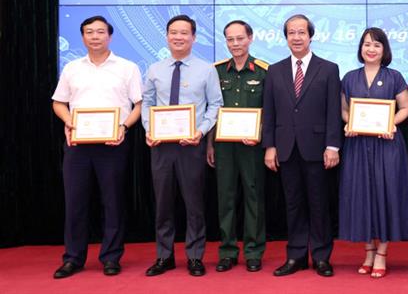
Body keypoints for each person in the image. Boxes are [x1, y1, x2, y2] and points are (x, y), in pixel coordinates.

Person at [51, 16, 143, 279]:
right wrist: (69, 121)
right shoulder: (72, 68)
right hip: (78, 145)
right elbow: (58, 102)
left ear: (110, 36)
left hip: (113, 144)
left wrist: (124, 127)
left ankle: (111, 257)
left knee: (112, 202)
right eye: (89, 32)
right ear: (82, 37)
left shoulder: (127, 68)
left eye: (100, 32)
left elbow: (139, 104)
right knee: (75, 203)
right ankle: (73, 258)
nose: (95, 36)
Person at [141, 15, 223, 277]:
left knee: (194, 204)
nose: (178, 37)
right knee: (163, 204)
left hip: (192, 145)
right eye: (173, 32)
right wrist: (149, 129)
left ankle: (195, 256)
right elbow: (147, 103)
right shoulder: (154, 69)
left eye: (184, 33)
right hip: (161, 146)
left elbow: (216, 105)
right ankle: (164, 256)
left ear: (193, 37)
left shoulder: (206, 69)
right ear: (167, 36)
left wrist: (201, 131)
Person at [262, 14, 342, 277]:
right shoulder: (274, 70)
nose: (296, 37)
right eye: (291, 33)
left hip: (318, 148)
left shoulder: (329, 69)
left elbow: (333, 111)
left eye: (301, 32)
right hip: (286, 148)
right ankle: (296, 256)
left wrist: (333, 146)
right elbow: (269, 111)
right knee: (293, 204)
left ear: (310, 36)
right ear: (286, 37)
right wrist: (270, 146)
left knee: (319, 204)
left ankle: (321, 257)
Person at [339, 27, 408, 279]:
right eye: (366, 44)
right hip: (358, 146)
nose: (371, 49)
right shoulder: (350, 77)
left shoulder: (394, 77)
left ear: (384, 50)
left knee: (385, 195)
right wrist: (349, 123)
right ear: (360, 48)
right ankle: (368, 252)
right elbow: (344, 110)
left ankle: (382, 253)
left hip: (387, 146)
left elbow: (406, 107)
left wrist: (391, 123)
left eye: (376, 45)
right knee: (362, 196)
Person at [207, 20, 269, 273]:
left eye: (240, 38)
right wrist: (209, 144)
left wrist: (260, 134)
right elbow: (212, 110)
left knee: (254, 197)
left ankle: (253, 251)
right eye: (230, 39)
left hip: (252, 145)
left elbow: (271, 110)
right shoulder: (216, 71)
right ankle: (227, 251)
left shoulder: (264, 71)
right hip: (223, 146)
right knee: (226, 198)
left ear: (250, 39)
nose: (235, 44)